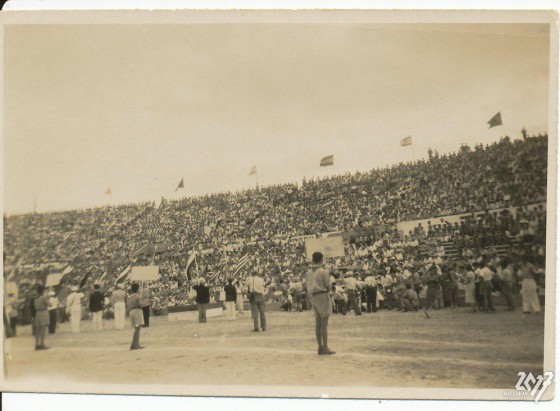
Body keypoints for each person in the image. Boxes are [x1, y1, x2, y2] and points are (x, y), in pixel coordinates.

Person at [306, 252, 335, 355]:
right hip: (322, 295)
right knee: (324, 324)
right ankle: (325, 347)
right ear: (321, 260)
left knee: (317, 323)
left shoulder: (309, 272)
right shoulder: (323, 271)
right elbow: (328, 286)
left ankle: (320, 347)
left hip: (313, 297)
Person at [127, 283, 145, 350]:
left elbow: (128, 306)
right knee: (137, 329)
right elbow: (140, 304)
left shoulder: (129, 296)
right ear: (137, 288)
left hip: (131, 311)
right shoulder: (138, 296)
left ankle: (134, 344)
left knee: (136, 329)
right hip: (137, 311)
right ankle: (135, 344)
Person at [33, 285, 50, 350]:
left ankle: (37, 344)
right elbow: (49, 304)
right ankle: (42, 344)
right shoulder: (43, 297)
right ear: (42, 291)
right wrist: (48, 298)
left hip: (38, 313)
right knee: (43, 329)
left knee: (38, 330)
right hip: (43, 312)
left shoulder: (36, 298)